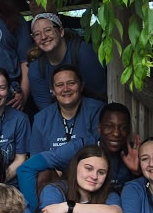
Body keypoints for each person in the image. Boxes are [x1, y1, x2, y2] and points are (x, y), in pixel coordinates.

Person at [22, 63, 104, 204]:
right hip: (56, 181)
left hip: (90, 176)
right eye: (59, 85)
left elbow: (98, 144)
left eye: (71, 83)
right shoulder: (42, 118)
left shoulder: (97, 110)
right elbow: (38, 159)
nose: (65, 89)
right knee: (42, 174)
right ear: (52, 90)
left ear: (81, 86)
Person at [21, 12, 106, 113]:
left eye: (48, 30)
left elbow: (99, 98)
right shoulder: (36, 68)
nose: (43, 37)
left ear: (61, 31)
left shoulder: (83, 52)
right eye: (37, 34)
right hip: (58, 122)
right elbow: (46, 111)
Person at [39, 146, 124, 213]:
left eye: (101, 172)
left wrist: (68, 207)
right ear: (75, 167)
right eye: (88, 168)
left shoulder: (109, 194)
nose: (94, 176)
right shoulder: (54, 189)